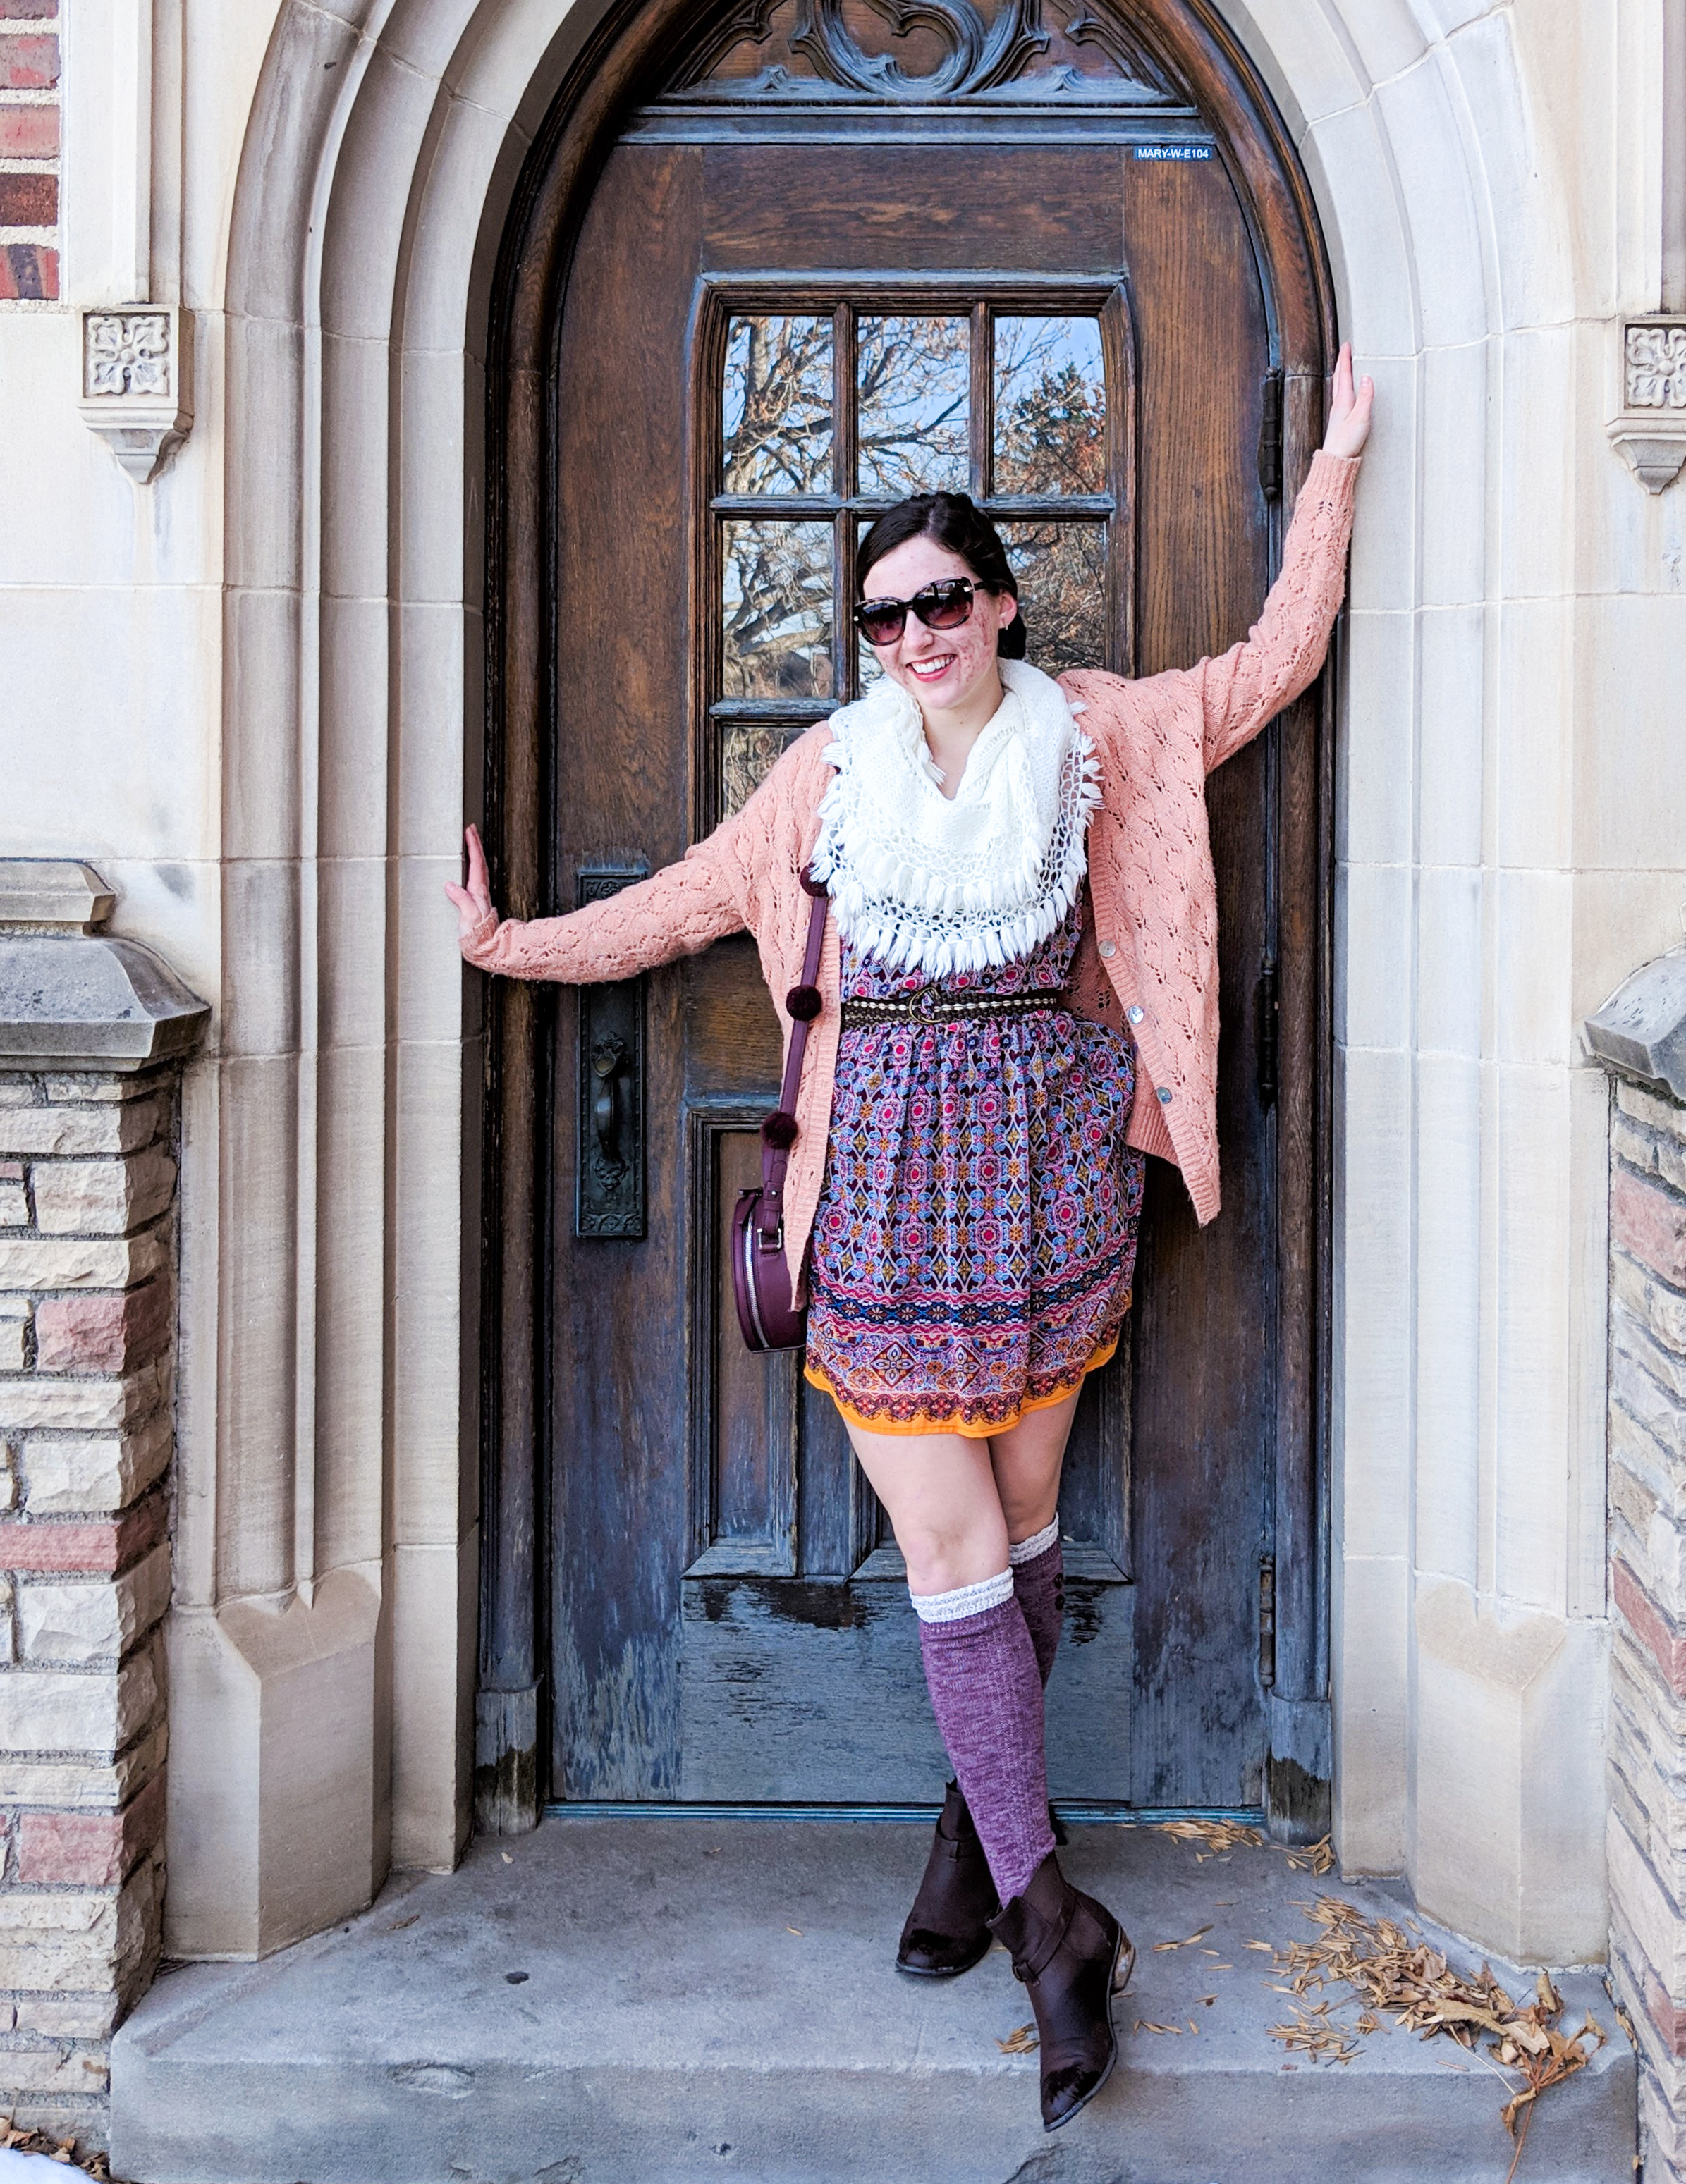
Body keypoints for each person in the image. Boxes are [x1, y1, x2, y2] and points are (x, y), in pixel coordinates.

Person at [448, 348, 1374, 2131]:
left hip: (1049, 1182)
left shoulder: (1094, 738)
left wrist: (1328, 464)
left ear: (1001, 605)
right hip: (872, 1194)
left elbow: (1273, 666)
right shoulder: (825, 782)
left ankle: (968, 1851)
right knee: (948, 1553)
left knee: (1018, 1535)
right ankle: (1051, 1931)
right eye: (882, 617)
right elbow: (680, 905)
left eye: (942, 602)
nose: (915, 636)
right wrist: (507, 947)